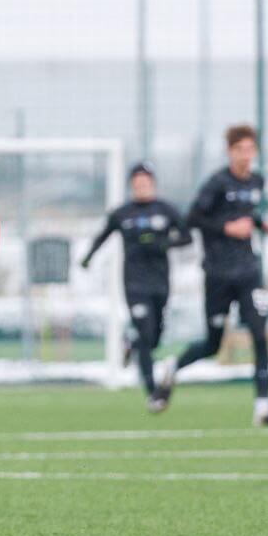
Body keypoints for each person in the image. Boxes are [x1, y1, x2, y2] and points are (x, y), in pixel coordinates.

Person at [160, 125, 268, 425]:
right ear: (230, 152)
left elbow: (247, 213)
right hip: (218, 274)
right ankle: (173, 366)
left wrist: (262, 225)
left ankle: (263, 408)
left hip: (249, 272)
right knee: (213, 343)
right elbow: (193, 218)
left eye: (250, 149)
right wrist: (227, 228)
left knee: (259, 334)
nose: (245, 155)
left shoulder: (257, 181)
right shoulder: (216, 183)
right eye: (239, 150)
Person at [80, 162, 190, 412]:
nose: (142, 187)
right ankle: (153, 394)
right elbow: (103, 236)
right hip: (134, 283)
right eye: (137, 184)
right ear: (131, 186)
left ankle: (130, 343)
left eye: (146, 183)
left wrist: (166, 244)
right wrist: (88, 258)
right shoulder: (123, 213)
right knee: (145, 332)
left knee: (154, 337)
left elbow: (187, 237)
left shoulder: (166, 210)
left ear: (153, 184)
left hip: (160, 283)